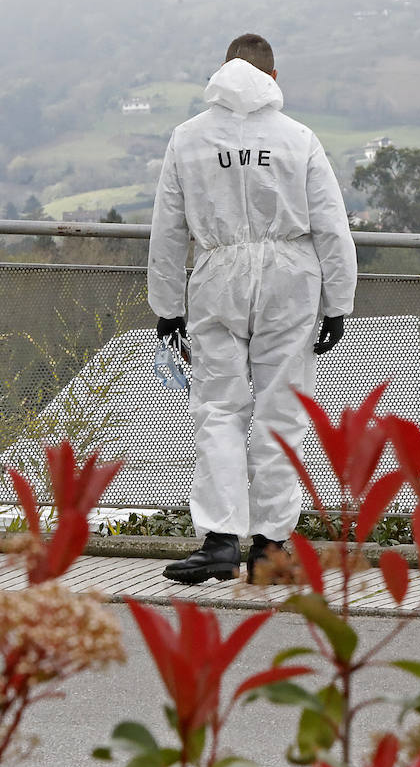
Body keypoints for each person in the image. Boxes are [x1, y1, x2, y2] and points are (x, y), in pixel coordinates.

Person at [148, 33, 358, 585]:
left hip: (217, 274)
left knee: (218, 407)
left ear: (222, 71)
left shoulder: (188, 140)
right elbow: (331, 227)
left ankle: (219, 540)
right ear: (273, 77)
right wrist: (338, 302)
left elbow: (168, 232)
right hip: (291, 277)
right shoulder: (297, 138)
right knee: (280, 408)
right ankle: (270, 544)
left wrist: (167, 305)